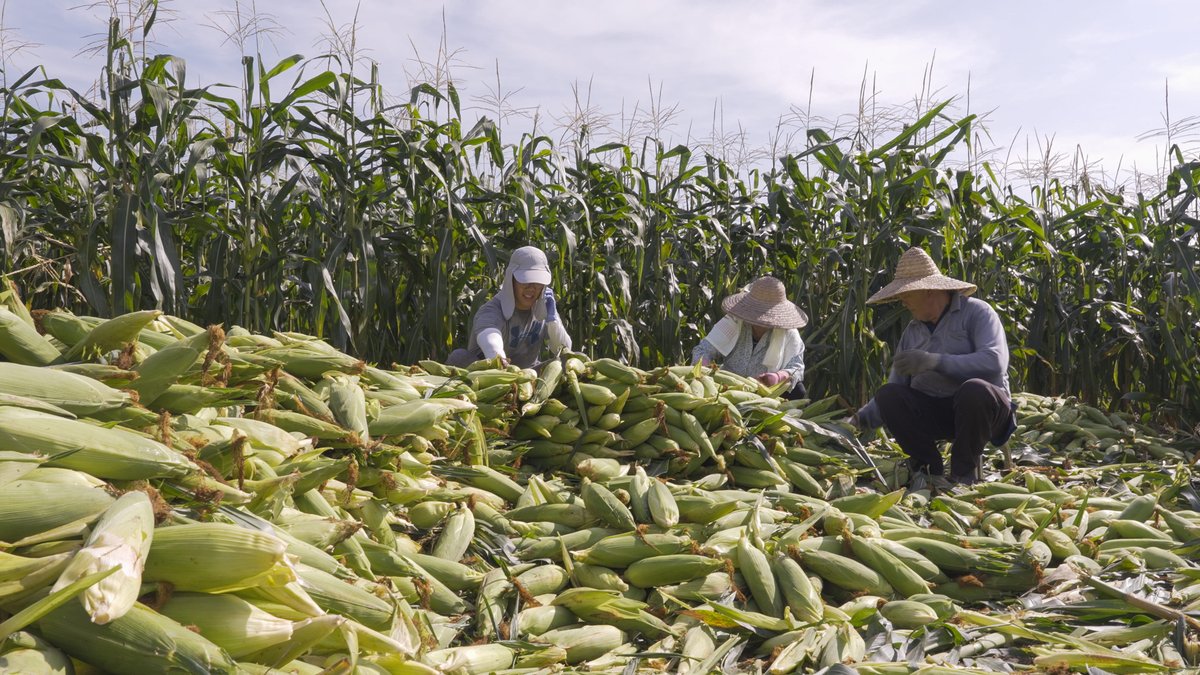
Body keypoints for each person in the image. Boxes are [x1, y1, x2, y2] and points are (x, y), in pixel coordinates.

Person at [850, 247, 1017, 486]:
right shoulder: (912, 331)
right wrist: (857, 421)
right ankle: (929, 472)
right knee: (889, 395)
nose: (903, 301)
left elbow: (994, 363)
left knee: (975, 390)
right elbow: (895, 387)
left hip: (984, 413)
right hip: (935, 412)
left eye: (907, 293)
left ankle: (963, 475)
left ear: (928, 290)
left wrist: (933, 361)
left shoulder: (977, 313)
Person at [447, 246, 571, 369]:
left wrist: (553, 320)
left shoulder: (544, 308)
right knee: (459, 357)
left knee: (572, 360)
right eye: (525, 280)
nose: (532, 288)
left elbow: (564, 349)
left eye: (538, 283)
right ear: (510, 279)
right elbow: (491, 339)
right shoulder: (491, 311)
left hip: (529, 374)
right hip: (492, 373)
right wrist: (501, 362)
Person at [692, 276, 808, 398]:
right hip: (727, 387)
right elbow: (702, 350)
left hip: (764, 392)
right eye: (757, 313)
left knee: (798, 390)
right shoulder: (734, 322)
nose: (760, 320)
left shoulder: (788, 333)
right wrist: (704, 370)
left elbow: (797, 369)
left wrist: (777, 377)